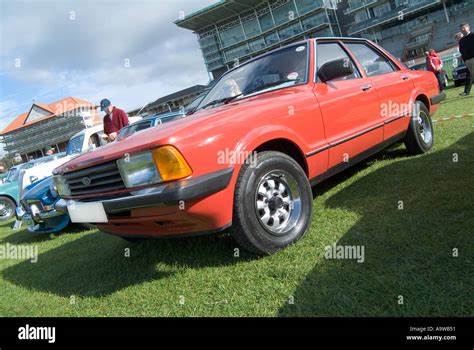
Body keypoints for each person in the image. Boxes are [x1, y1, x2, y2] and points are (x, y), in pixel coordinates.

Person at [459, 23, 474, 96]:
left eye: (463, 28)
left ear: (468, 28)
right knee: (470, 76)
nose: (462, 30)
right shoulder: (461, 40)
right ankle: (466, 92)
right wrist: (465, 60)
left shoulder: (473, 35)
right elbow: (461, 51)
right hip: (468, 61)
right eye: (461, 29)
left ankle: (466, 91)